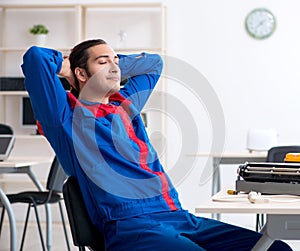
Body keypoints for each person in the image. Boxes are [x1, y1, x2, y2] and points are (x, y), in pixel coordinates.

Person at [21, 39, 291, 251]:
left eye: (116, 61)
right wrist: (70, 68)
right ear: (80, 73)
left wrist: (109, 66)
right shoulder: (64, 118)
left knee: (276, 247)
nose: (114, 67)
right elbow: (36, 57)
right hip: (130, 226)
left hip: (177, 216)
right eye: (103, 62)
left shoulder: (125, 106)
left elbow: (153, 64)